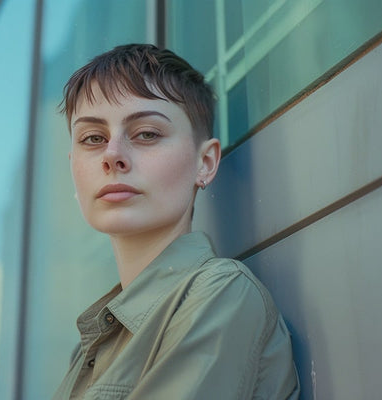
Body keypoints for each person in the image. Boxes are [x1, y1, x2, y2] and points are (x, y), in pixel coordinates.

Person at [52, 44, 300, 399]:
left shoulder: (220, 294)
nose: (113, 155)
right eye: (93, 138)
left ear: (206, 162)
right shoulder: (89, 349)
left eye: (146, 133)